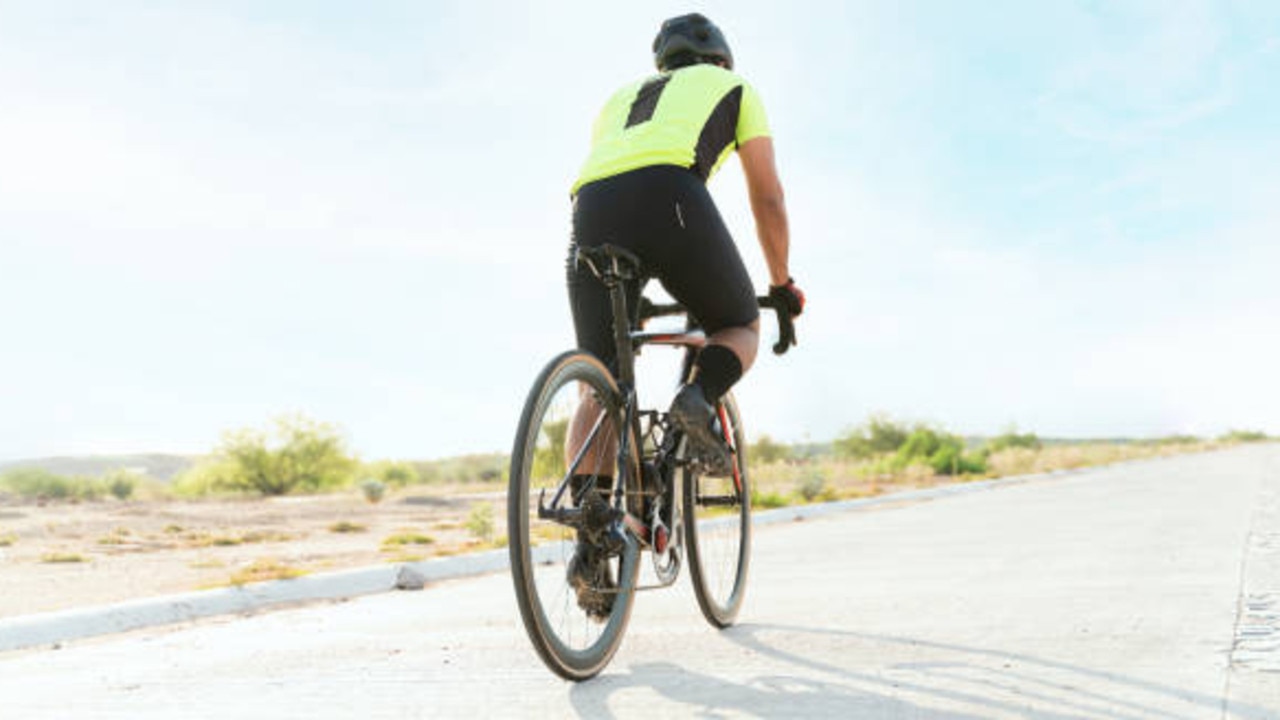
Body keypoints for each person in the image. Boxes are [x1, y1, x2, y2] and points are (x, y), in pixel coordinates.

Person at [564, 13, 804, 620]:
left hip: (590, 213)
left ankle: (589, 534)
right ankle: (698, 399)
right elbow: (767, 196)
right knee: (739, 322)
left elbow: (615, 176)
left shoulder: (620, 98)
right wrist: (779, 284)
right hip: (670, 196)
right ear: (720, 58)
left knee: (601, 378)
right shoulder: (738, 89)